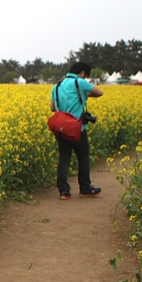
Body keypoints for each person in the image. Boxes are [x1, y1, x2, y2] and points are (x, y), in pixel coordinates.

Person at [50, 61, 103, 200]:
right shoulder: (79, 82)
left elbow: (52, 107)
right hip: (78, 128)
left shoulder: (57, 85)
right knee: (83, 158)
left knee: (64, 158)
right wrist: (85, 95)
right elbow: (99, 92)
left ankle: (63, 191)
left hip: (61, 129)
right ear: (83, 73)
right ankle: (85, 189)